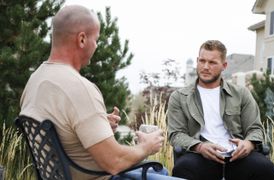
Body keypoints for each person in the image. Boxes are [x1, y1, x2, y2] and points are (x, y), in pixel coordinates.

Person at [20, 5, 182, 180]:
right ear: (82, 39)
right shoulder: (79, 87)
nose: (96, 46)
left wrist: (96, 123)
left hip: (61, 175)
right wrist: (146, 146)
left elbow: (62, 126)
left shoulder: (36, 79)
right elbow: (115, 162)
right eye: (96, 40)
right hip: (99, 177)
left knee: (160, 172)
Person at [167, 40, 274, 180]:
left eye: (212, 63)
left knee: (266, 169)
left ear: (224, 65)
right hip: (200, 156)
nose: (205, 67)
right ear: (197, 61)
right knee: (183, 168)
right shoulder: (179, 97)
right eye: (202, 61)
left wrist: (248, 144)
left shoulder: (241, 94)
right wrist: (199, 147)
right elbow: (175, 134)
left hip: (237, 156)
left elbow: (255, 128)